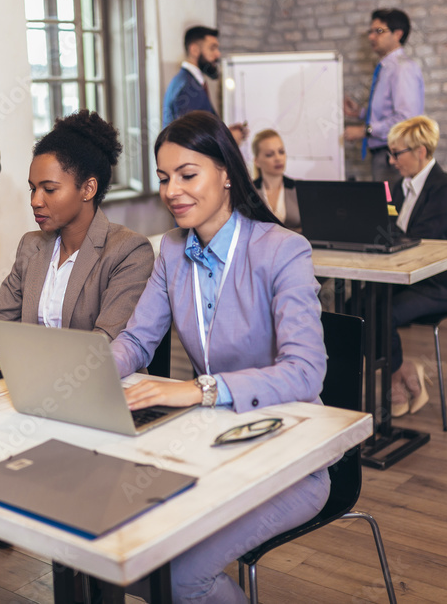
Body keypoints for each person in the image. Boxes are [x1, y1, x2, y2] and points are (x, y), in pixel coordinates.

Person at [109, 111, 328, 604]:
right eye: (164, 178)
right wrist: (85, 369)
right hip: (211, 442)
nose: (172, 191)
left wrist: (197, 389)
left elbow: (306, 370)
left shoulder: (282, 250)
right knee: (123, 558)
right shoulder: (169, 250)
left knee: (181, 578)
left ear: (226, 174)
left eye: (188, 175)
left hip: (289, 453)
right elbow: (138, 341)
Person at [0, 109, 154, 359]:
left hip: (102, 387)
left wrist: (6, 336)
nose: (35, 201)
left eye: (49, 189)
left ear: (88, 188)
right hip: (36, 379)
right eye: (33, 189)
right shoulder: (31, 245)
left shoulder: (128, 251)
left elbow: (104, 343)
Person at [387, 115, 447, 417]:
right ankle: (404, 369)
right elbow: (390, 228)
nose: (392, 160)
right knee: (358, 305)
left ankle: (395, 382)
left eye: (397, 153)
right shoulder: (398, 187)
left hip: (439, 285)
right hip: (404, 279)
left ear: (420, 151)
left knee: (384, 312)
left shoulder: (445, 189)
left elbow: (421, 242)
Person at [344, 8, 424, 183]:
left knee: (393, 209)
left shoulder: (402, 68)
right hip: (385, 154)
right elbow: (389, 112)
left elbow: (406, 119)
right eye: (370, 32)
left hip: (396, 156)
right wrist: (361, 114)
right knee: (387, 208)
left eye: (379, 31)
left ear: (398, 34)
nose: (371, 37)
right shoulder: (386, 67)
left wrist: (366, 131)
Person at [162, 26, 247, 143]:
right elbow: (191, 139)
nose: (217, 54)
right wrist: (228, 139)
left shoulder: (188, 81)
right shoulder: (187, 87)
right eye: (212, 48)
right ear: (194, 50)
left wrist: (224, 131)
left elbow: (202, 128)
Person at [250, 128, 300, 230]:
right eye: (269, 155)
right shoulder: (248, 191)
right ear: (257, 161)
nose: (278, 158)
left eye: (281, 152)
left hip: (295, 244)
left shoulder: (299, 188)